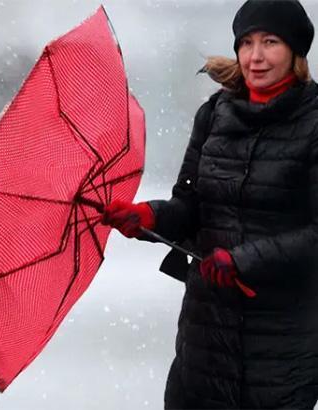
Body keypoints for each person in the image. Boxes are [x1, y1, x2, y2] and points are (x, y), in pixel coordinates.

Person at [102, 1, 318, 408]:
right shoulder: (214, 114)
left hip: (280, 350)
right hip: (204, 342)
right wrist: (148, 216)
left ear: (295, 52)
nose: (256, 56)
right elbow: (190, 206)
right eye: (247, 43)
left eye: (270, 42)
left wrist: (244, 260)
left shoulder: (313, 121)